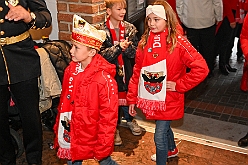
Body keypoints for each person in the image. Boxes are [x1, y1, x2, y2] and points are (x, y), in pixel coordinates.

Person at [127, 1, 209, 164]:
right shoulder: (145, 41)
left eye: (156, 19)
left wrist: (179, 85)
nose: (151, 23)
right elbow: (137, 71)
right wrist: (131, 98)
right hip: (152, 97)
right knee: (163, 128)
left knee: (159, 136)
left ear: (167, 19)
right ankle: (171, 149)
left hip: (169, 98)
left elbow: (201, 68)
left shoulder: (178, 42)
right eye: (149, 19)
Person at [53, 14, 119, 165]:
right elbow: (64, 102)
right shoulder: (71, 70)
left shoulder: (104, 80)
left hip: (92, 134)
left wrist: (103, 145)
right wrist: (59, 126)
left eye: (76, 47)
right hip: (71, 128)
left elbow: (108, 117)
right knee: (72, 160)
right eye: (72, 46)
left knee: (105, 161)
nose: (71, 51)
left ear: (91, 52)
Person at [0, 1, 52, 164]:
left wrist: (29, 17)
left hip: (21, 56)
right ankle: (6, 158)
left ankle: (34, 159)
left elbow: (46, 17)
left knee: (31, 117)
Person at [97, 0, 142, 146]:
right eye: (119, 9)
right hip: (109, 73)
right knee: (112, 100)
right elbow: (101, 56)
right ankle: (114, 128)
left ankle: (129, 119)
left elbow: (135, 54)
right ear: (109, 11)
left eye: (124, 9)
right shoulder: (101, 31)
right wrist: (118, 48)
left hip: (127, 70)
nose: (123, 12)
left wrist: (128, 48)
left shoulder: (130, 29)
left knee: (128, 95)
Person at [176, 0, 223, 78]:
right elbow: (217, 3)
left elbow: (179, 3)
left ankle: (191, 71)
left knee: (190, 50)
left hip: (190, 21)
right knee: (208, 49)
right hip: (207, 20)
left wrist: (182, 18)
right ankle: (207, 71)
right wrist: (218, 17)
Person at [214, 0, 237, 76]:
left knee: (229, 42)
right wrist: (231, 19)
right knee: (224, 43)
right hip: (227, 16)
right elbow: (225, 3)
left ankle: (225, 63)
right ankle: (222, 65)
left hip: (232, 14)